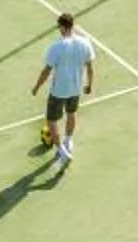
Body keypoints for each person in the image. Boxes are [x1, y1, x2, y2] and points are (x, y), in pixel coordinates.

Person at [30, 11, 97, 169]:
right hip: (76, 88)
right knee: (71, 113)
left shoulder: (56, 47)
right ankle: (68, 140)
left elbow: (47, 71)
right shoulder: (85, 43)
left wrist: (37, 87)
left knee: (51, 121)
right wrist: (89, 85)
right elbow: (90, 67)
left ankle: (61, 150)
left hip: (59, 91)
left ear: (62, 27)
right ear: (72, 25)